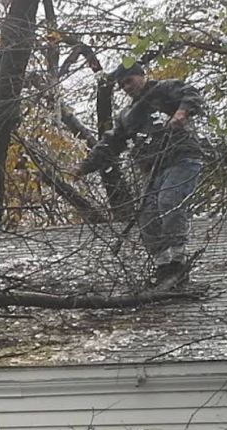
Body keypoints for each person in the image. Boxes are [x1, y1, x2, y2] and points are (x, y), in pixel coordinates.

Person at [76, 61, 206, 286]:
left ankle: (177, 260)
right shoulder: (127, 115)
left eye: (129, 80)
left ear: (141, 76)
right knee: (147, 216)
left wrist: (182, 112)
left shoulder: (163, 90)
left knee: (169, 201)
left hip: (181, 158)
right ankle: (163, 265)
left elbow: (191, 93)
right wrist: (83, 167)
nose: (126, 87)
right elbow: (110, 143)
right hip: (153, 169)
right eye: (121, 84)